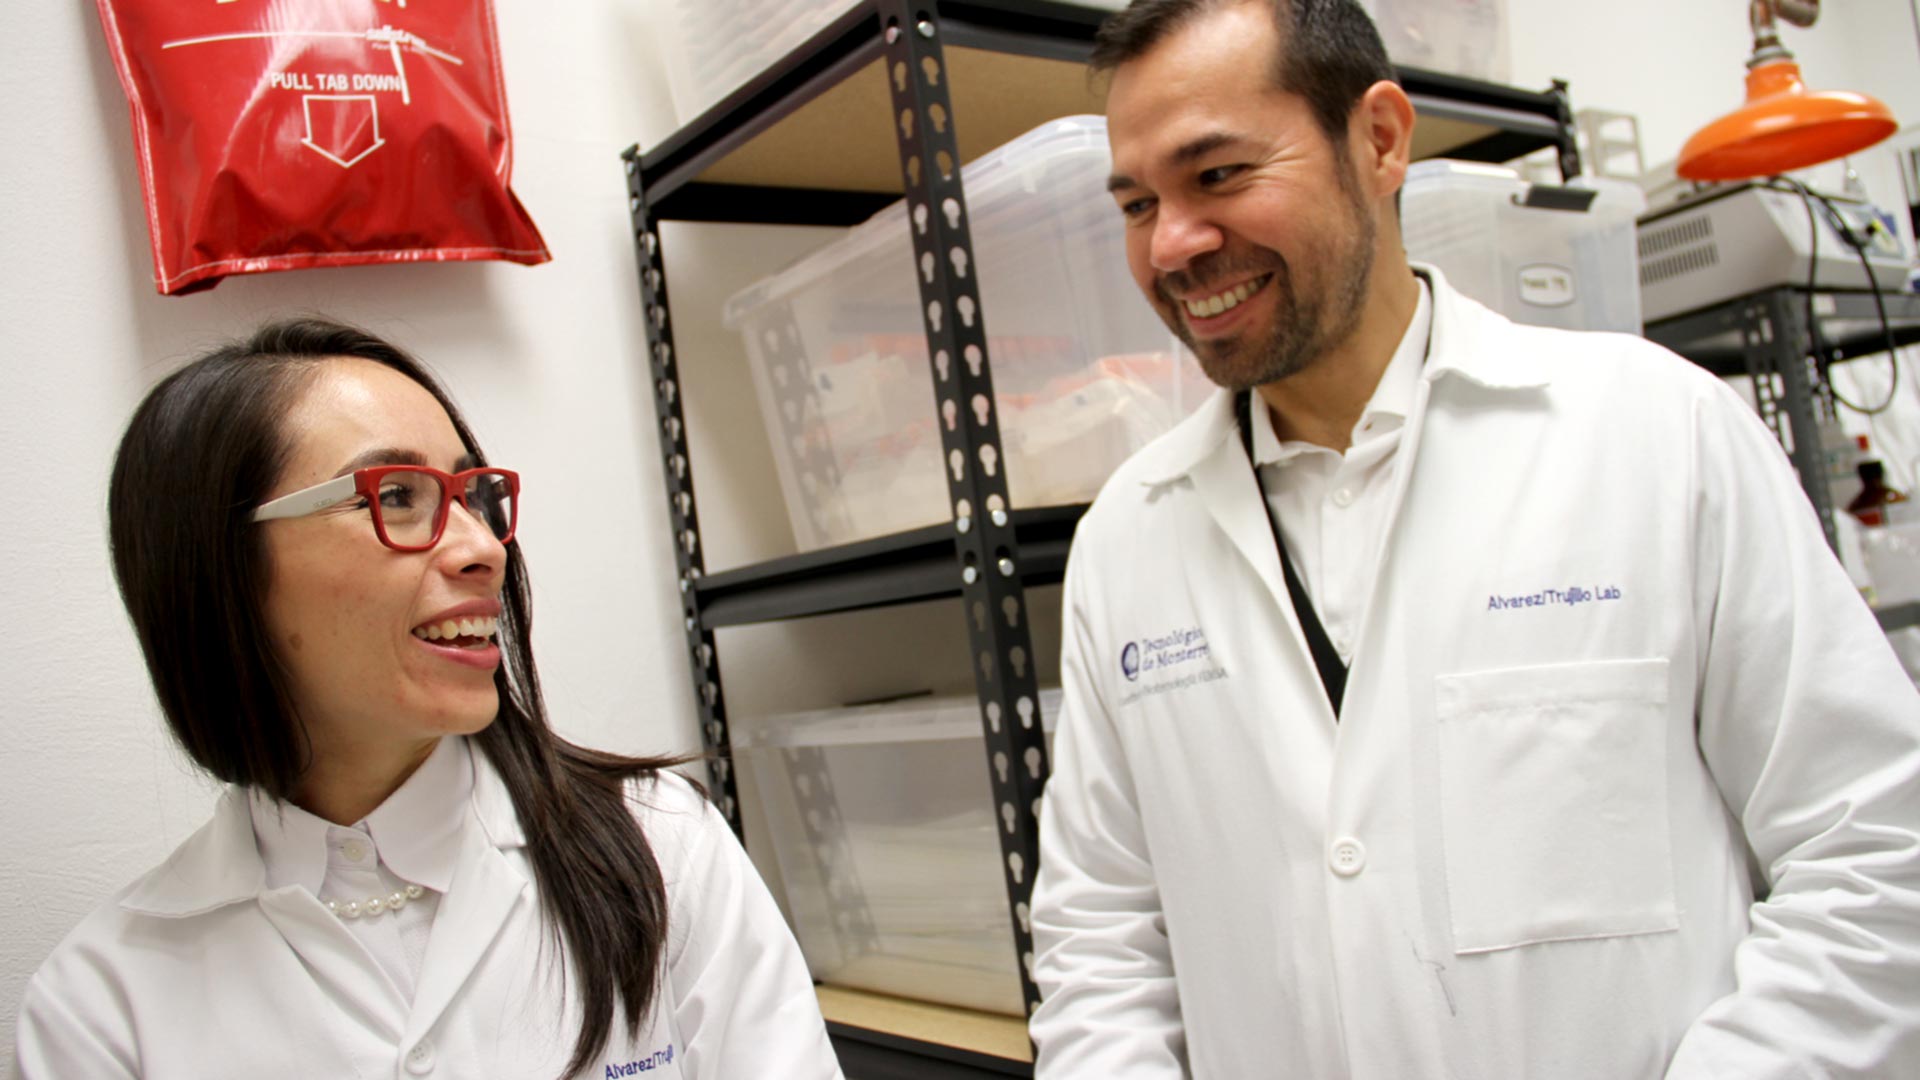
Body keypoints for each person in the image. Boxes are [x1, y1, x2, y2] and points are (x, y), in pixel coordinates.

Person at [1028, 1, 1920, 1076]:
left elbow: (1875, 850)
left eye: (1217, 175)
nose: (1172, 242)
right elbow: (1101, 946)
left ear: (1381, 140)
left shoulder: (1654, 434)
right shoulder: (1129, 536)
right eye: (1136, 202)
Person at [13, 319, 843, 1079]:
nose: (483, 547)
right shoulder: (99, 1010)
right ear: (218, 570)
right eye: (398, 497)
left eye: (474, 498)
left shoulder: (661, 848)